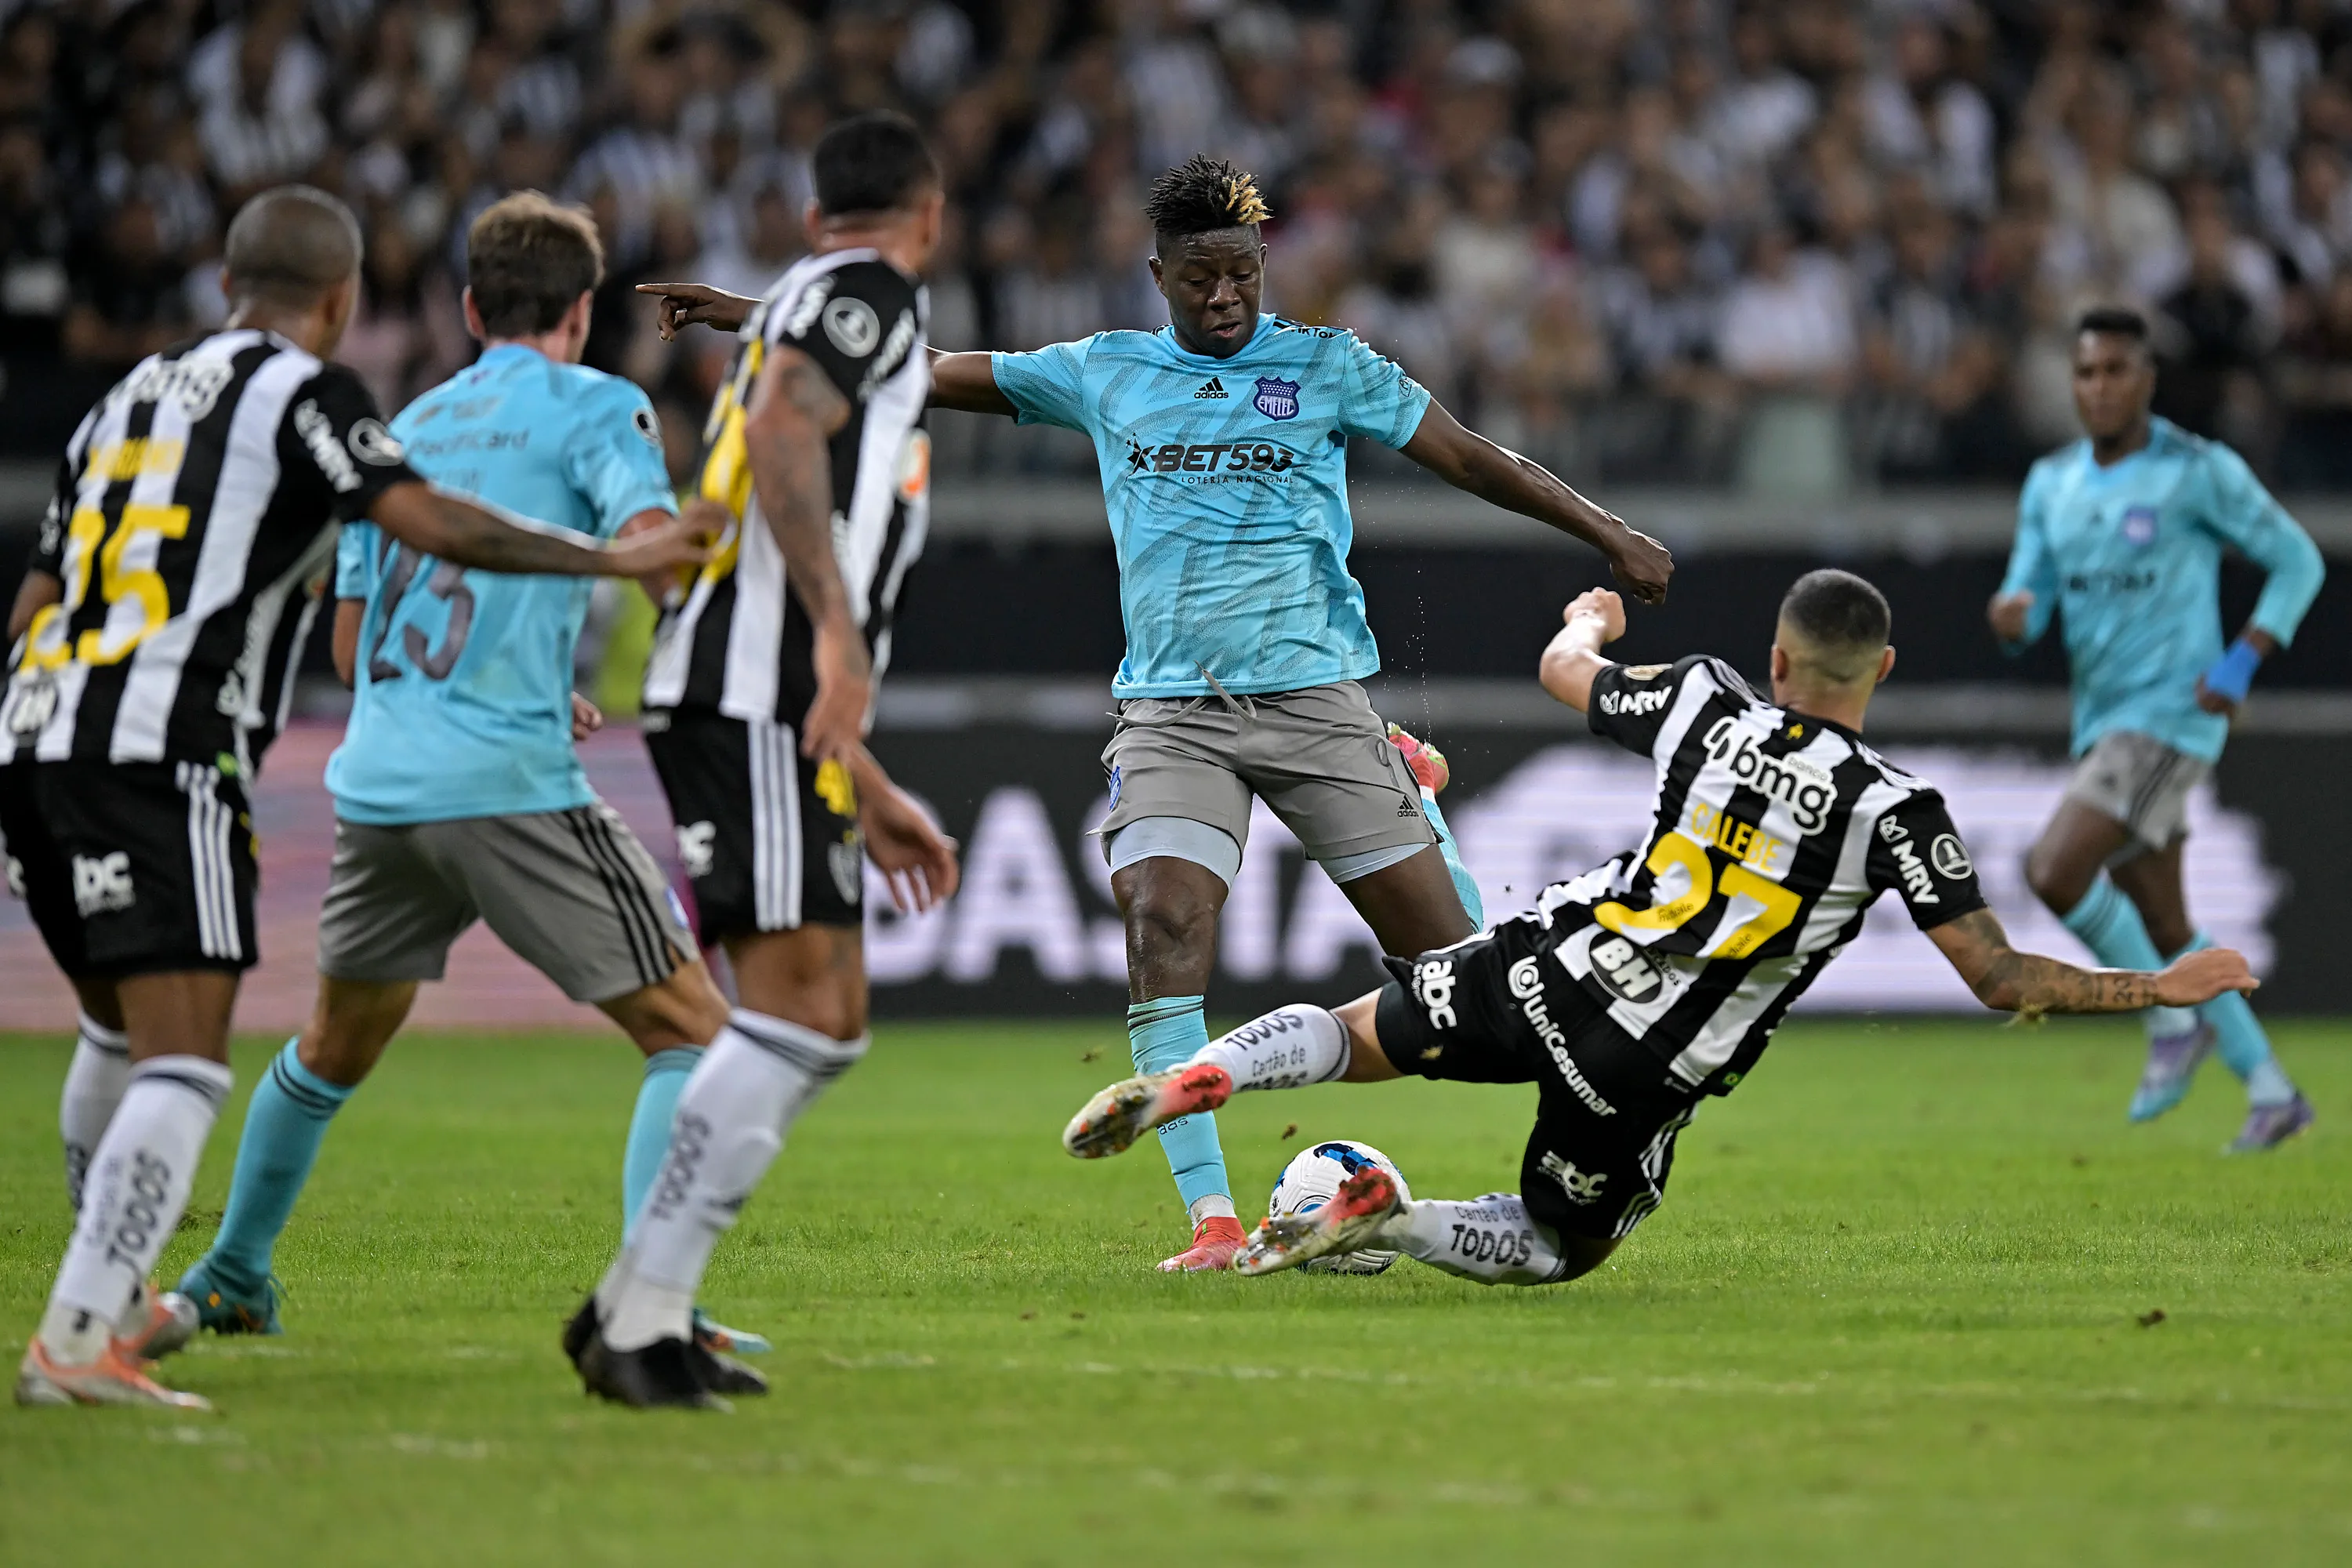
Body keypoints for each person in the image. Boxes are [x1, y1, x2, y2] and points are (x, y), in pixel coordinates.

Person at [642, 154, 1675, 1272]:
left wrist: (1605, 531)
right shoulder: (1104, 371)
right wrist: (767, 317)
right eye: (1198, 280)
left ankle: (1409, 795)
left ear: (1263, 268)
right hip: (1172, 713)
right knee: (1164, 923)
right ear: (1159, 277)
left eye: (1240, 275)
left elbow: (1473, 458)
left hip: (1316, 698)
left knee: (1459, 980)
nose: (1223, 297)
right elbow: (927, 370)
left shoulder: (1328, 365)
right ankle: (1214, 1224)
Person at [2, 184, 706, 1409]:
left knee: (281, 1044)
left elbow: (344, 638)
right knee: (694, 1033)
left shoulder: (177, 401)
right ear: (342, 301)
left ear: (471, 305)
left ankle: (215, 1276)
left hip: (268, 762)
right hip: (414, 768)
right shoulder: (374, 409)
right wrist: (623, 567)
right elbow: (574, 540)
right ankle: (653, 1306)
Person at [1061, 572, 2261, 1284]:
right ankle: (1401, 1218)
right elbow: (1996, 977)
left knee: (1354, 1031)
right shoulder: (1897, 811)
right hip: (1645, 1060)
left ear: (1779, 657)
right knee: (1556, 1245)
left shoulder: (1704, 704)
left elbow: (1560, 667)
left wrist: (1591, 621)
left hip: (1551, 961)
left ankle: (1200, 1072)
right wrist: (2159, 988)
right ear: (1880, 669)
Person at [577, 111, 960, 1408]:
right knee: (805, 1012)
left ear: (815, 216)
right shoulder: (871, 295)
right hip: (753, 696)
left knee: (823, 1016)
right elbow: (791, 434)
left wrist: (871, 776)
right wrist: (841, 635)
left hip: (762, 704)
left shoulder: (805, 288)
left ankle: (644, 1302)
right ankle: (640, 1311)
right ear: (932, 217)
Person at [1988, 307, 2324, 1150]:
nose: (2099, 386)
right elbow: (2027, 603)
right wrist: (2011, 616)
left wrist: (2244, 658)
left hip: (2172, 713)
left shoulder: (2196, 469)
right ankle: (2273, 1089)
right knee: (2169, 920)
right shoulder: (2052, 483)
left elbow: (2298, 559)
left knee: (2053, 868)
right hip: (2103, 720)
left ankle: (2169, 1020)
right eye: (2086, 372)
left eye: (2115, 370)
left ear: (2147, 379)